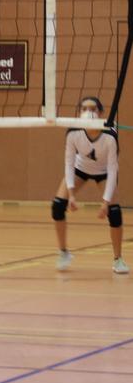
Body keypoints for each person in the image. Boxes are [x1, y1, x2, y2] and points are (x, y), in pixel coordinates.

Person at [52, 96, 127, 274]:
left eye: (93, 109)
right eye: (84, 109)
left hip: (104, 172)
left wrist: (105, 203)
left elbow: (113, 169)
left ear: (101, 113)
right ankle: (63, 253)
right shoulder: (73, 132)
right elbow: (69, 163)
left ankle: (118, 260)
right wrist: (71, 195)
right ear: (78, 113)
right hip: (80, 168)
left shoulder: (109, 134)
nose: (88, 112)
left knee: (115, 212)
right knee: (57, 206)